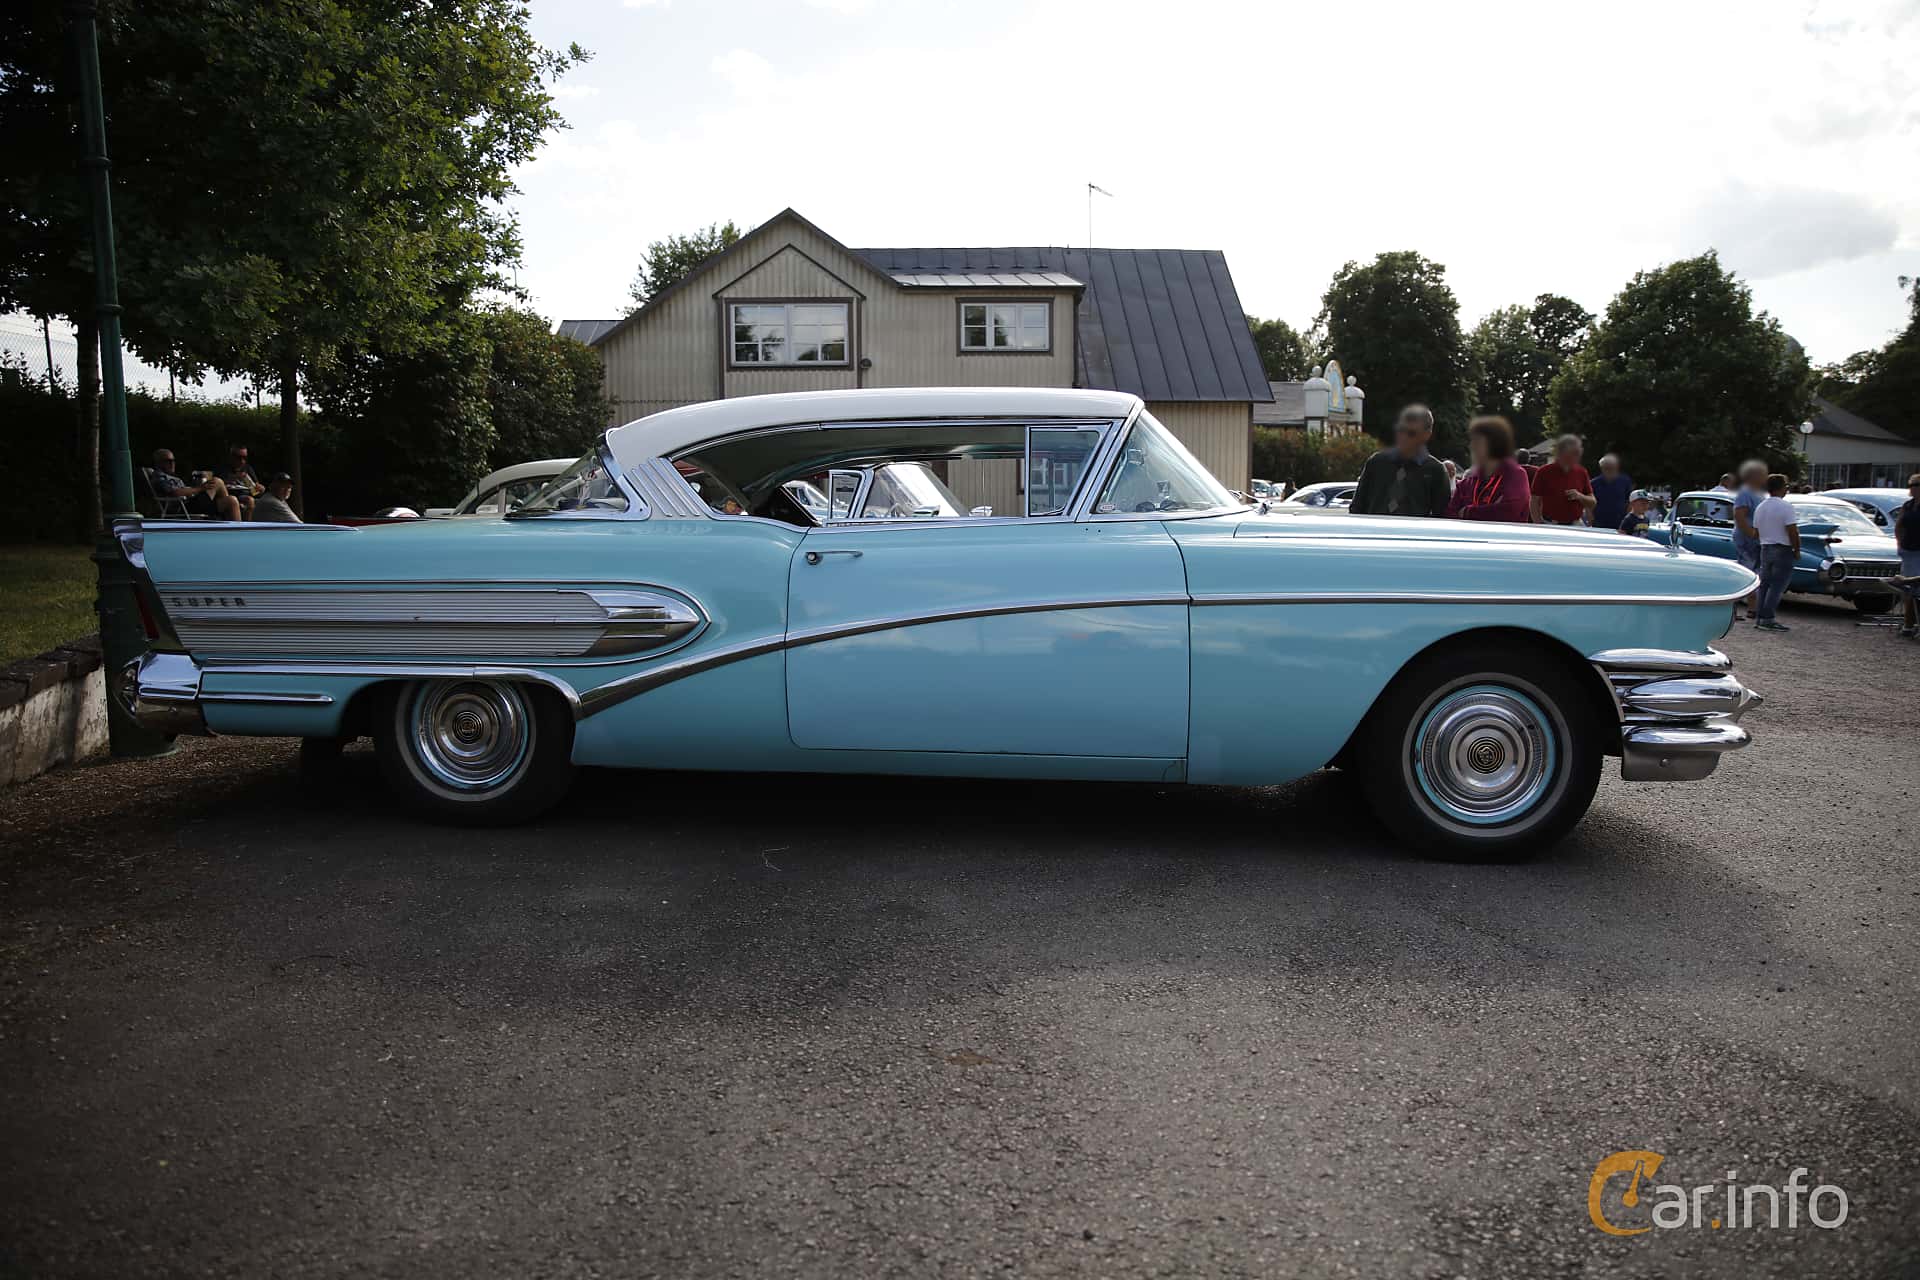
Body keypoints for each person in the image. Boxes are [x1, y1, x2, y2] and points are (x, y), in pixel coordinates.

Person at [1349, 403, 1451, 518]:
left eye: (1411, 433)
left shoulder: (1435, 470)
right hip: (1375, 532)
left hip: (1412, 533)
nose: (1403, 437)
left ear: (1426, 435)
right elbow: (1357, 506)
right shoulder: (1377, 462)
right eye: (1401, 430)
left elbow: (1441, 515)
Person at [1445, 415, 1532, 522]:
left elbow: (1510, 512)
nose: (1472, 446)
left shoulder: (1516, 475)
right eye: (1472, 441)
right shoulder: (1469, 479)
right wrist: (1489, 510)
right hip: (1470, 537)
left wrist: (1467, 512)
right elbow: (1450, 514)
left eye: (1478, 442)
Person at [1752, 473, 1799, 632]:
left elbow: (1756, 532)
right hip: (1782, 547)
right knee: (1778, 585)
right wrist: (1797, 549)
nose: (1787, 489)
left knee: (1764, 584)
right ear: (1780, 488)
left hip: (1765, 547)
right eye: (1786, 486)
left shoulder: (1761, 506)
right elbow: (1792, 531)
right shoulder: (1786, 507)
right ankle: (1768, 618)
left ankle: (1760, 617)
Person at [145, 448, 240, 520]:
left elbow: (184, 490)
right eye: (168, 461)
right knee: (220, 486)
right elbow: (174, 493)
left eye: (173, 461)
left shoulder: (171, 476)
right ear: (158, 463)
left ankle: (229, 518)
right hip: (184, 507)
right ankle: (237, 533)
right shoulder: (159, 476)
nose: (172, 464)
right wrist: (200, 488)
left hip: (190, 503)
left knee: (229, 497)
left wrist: (195, 488)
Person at [1728, 460, 1768, 621]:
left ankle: (1752, 609)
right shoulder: (1745, 493)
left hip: (1757, 540)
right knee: (1744, 574)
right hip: (1747, 540)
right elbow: (1739, 516)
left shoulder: (1761, 493)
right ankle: (1732, 609)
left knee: (1755, 574)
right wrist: (1751, 534)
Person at [1530, 434, 1596, 525]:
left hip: (1576, 524)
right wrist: (1538, 523)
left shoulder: (1581, 472)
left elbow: (1592, 502)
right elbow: (1534, 501)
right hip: (1550, 524)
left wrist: (1580, 496)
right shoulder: (1544, 472)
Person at [1897, 472, 1920, 639]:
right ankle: (1909, 622)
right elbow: (1899, 525)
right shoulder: (1908, 505)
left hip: (1919, 550)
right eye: (1911, 485)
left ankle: (1911, 623)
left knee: (1915, 588)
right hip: (1908, 550)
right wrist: (1899, 543)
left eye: (1915, 485)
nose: (1911, 488)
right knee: (1907, 589)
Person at [1590, 453, 1635, 532]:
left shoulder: (1625, 481)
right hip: (1599, 523)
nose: (1609, 470)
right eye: (1606, 468)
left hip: (1620, 523)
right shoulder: (1594, 483)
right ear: (1602, 468)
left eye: (1611, 467)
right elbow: (1589, 503)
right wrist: (1590, 518)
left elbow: (1630, 501)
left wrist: (1628, 519)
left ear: (1616, 467)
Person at [222, 444, 263, 518]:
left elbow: (255, 491)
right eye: (238, 457)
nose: (242, 461)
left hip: (245, 495)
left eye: (244, 457)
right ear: (231, 457)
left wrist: (260, 489)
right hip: (229, 496)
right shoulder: (223, 469)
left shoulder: (247, 469)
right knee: (249, 500)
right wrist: (233, 478)